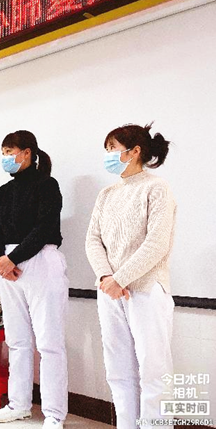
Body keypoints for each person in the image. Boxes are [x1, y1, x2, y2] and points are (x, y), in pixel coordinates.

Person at [85, 124, 176, 429]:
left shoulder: (156, 188)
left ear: (135, 151)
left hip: (147, 288)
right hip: (109, 290)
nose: (108, 154)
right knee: (118, 369)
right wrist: (106, 276)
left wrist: (120, 279)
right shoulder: (106, 194)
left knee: (153, 369)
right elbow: (92, 240)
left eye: (113, 148)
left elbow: (157, 242)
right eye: (107, 148)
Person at [0, 130, 68, 429]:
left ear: (27, 153)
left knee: (49, 342)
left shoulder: (47, 185)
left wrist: (13, 258)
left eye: (10, 151)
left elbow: (45, 227)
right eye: (3, 152)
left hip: (40, 260)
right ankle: (19, 404)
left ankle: (54, 414)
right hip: (7, 266)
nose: (6, 158)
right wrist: (1, 260)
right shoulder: (3, 191)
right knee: (17, 340)